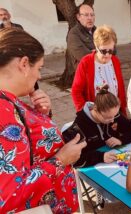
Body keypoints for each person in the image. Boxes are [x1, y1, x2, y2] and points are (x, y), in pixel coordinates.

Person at [0, 28, 86, 213]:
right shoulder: (3, 110)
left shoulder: (8, 102)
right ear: (24, 64)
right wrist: (61, 160)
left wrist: (42, 115)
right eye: (38, 68)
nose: (39, 76)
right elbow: (9, 195)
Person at [72, 85, 131, 168]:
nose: (112, 120)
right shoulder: (80, 125)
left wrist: (121, 140)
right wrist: (101, 157)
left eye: (114, 115)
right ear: (95, 109)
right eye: (108, 118)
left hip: (113, 159)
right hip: (95, 167)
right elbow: (75, 159)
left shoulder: (112, 113)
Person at [71, 25, 127, 115]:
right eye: (104, 51)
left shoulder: (115, 61)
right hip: (96, 115)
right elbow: (76, 92)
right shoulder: (86, 62)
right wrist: (85, 113)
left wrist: (123, 108)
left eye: (111, 51)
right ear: (96, 46)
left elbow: (120, 88)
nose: (108, 55)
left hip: (115, 112)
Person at [66, 4, 96, 78]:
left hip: (101, 73)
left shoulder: (98, 31)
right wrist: (102, 51)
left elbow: (112, 50)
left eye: (92, 15)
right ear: (78, 17)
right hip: (86, 76)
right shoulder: (73, 34)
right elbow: (84, 56)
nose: (90, 18)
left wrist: (93, 51)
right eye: (86, 15)